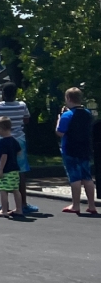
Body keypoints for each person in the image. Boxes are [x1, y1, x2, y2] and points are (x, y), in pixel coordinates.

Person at [0, 83, 37, 214]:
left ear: (3, 93)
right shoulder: (22, 105)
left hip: (3, 139)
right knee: (20, 171)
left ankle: (4, 204)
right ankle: (23, 204)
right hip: (19, 138)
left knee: (3, 169)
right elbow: (26, 120)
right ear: (16, 93)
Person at [56, 87, 98, 215]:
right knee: (87, 177)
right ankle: (92, 205)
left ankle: (75, 205)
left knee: (75, 178)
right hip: (85, 148)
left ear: (68, 98)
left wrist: (59, 117)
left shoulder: (67, 115)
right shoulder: (87, 113)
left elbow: (60, 132)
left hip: (70, 148)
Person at [0, 116, 23, 217]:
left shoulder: (2, 141)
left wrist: (0, 169)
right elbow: (19, 152)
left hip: (6, 170)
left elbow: (4, 156)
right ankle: (19, 209)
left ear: (1, 129)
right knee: (15, 189)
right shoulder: (14, 140)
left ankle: (4, 210)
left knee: (3, 190)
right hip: (15, 169)